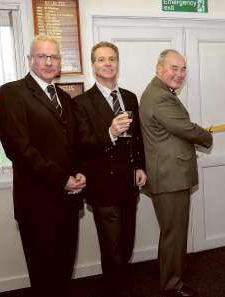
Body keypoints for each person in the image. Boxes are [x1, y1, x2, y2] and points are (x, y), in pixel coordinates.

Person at [0, 35, 86, 297]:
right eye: (42, 56)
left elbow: (74, 143)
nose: (49, 62)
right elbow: (20, 150)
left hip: (68, 201)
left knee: (64, 272)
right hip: (37, 204)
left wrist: (79, 173)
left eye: (54, 57)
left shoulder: (65, 99)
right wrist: (62, 179)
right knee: (44, 277)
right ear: (30, 59)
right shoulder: (11, 93)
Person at [73, 41, 147, 297]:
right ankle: (116, 290)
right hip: (102, 187)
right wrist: (110, 133)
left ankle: (121, 285)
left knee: (126, 245)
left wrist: (139, 166)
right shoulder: (81, 102)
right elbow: (81, 145)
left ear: (118, 63)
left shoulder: (129, 97)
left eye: (112, 59)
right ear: (93, 65)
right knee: (112, 248)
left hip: (128, 184)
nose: (108, 64)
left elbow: (137, 138)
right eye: (101, 59)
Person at [139, 49, 213, 297]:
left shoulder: (159, 92)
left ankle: (170, 272)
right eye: (174, 68)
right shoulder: (159, 96)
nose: (179, 74)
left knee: (171, 230)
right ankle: (172, 284)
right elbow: (183, 127)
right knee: (175, 232)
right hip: (170, 176)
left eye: (183, 69)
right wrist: (206, 135)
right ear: (160, 69)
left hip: (169, 174)